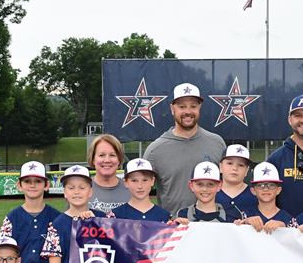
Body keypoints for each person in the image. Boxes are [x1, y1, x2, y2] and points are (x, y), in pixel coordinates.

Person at [142, 83, 226, 214]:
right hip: (173, 228)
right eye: (182, 106)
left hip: (211, 227)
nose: (188, 111)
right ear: (172, 109)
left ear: (200, 108)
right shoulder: (155, 150)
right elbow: (140, 193)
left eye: (193, 106)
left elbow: (228, 186)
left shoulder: (216, 143)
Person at [84, 134, 131, 215]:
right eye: (101, 155)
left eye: (112, 155)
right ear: (93, 159)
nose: (107, 160)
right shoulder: (81, 190)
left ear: (119, 160)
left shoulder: (131, 190)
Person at [216, 144, 258, 217]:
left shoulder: (256, 194)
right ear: (221, 167)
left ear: (246, 171)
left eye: (241, 165)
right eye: (230, 163)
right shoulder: (210, 193)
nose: (235, 168)